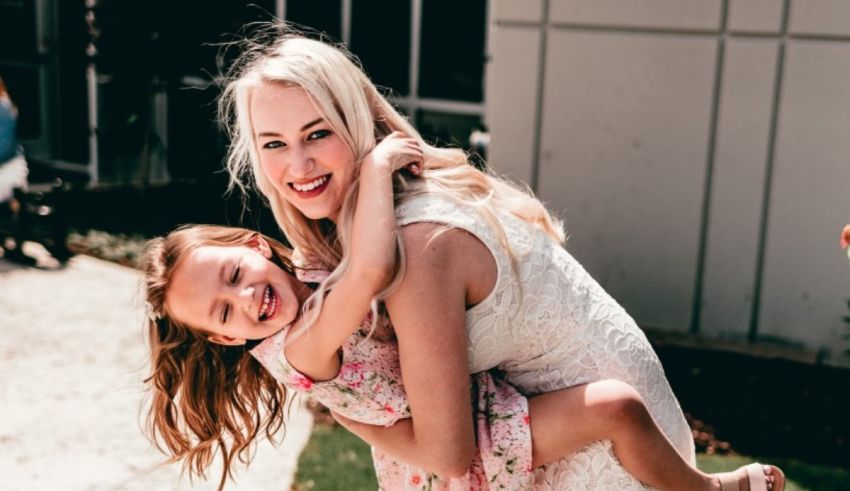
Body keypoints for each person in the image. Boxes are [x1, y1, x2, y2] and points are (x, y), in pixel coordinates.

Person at [214, 25, 784, 490]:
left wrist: (350, 417)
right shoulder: (387, 215)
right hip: (610, 429)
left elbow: (447, 452)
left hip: (610, 457)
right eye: (274, 144)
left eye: (318, 134)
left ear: (357, 124)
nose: (298, 165)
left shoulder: (416, 246)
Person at [143, 139, 781, 490]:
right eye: (224, 312)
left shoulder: (313, 269)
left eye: (234, 276)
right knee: (616, 407)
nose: (246, 300)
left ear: (253, 246)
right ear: (223, 339)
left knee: (617, 411)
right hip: (468, 446)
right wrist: (376, 166)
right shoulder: (298, 346)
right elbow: (370, 269)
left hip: (475, 408)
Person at [0, 76, 32, 264]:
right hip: (13, 163)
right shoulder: (8, 104)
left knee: (12, 200)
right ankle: (14, 242)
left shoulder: (4, 107)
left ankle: (15, 242)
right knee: (14, 201)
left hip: (7, 165)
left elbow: (5, 142)